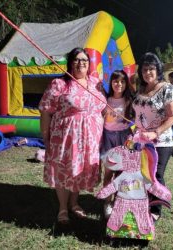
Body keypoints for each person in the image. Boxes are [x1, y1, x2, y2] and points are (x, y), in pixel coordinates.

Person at [39, 47, 107, 224]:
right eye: (77, 60)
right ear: (70, 63)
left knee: (79, 170)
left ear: (89, 64)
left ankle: (74, 203)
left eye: (84, 60)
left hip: (90, 139)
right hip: (65, 138)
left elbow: (104, 106)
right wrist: (45, 135)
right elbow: (46, 110)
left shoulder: (95, 83)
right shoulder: (60, 84)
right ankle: (63, 208)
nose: (81, 63)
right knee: (64, 170)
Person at [132, 52, 173, 221]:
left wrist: (156, 131)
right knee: (143, 174)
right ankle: (144, 203)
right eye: (145, 69)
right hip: (141, 141)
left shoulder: (167, 88)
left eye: (151, 69)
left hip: (160, 141)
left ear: (158, 69)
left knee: (155, 175)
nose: (148, 73)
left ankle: (156, 210)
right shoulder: (142, 89)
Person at [101, 69, 134, 218]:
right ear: (111, 83)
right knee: (109, 172)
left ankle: (120, 202)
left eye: (122, 81)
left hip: (124, 138)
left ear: (126, 83)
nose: (119, 84)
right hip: (108, 137)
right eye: (115, 81)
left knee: (123, 172)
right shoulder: (105, 99)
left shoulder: (129, 101)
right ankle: (108, 202)